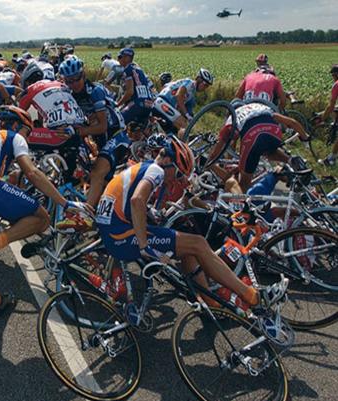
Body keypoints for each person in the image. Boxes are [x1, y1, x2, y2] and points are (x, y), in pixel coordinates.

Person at [95, 136, 288, 332]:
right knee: (198, 243)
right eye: (179, 174)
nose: (177, 180)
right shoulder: (156, 171)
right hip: (121, 235)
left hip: (113, 231)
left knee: (188, 248)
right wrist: (145, 246)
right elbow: (137, 200)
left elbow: (131, 202)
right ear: (168, 163)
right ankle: (252, 297)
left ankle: (210, 302)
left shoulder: (144, 167)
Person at [0, 106, 92, 317]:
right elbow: (32, 173)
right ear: (17, 125)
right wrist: (64, 203)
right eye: (28, 132)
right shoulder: (14, 136)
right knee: (41, 218)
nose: (28, 138)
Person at [213, 102, 309, 191]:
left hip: (252, 136)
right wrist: (305, 139)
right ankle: (291, 160)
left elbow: (219, 150)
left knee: (243, 184)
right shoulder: (259, 107)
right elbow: (292, 122)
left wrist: (209, 163)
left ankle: (242, 207)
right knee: (269, 151)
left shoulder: (233, 119)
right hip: (274, 131)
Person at [18, 61, 86, 178]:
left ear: (27, 82)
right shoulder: (59, 84)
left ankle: (35, 175)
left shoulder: (30, 89)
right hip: (78, 131)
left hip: (59, 135)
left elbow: (18, 114)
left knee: (17, 136)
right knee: (67, 175)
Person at [58, 56, 125, 150]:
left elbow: (102, 127)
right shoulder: (70, 93)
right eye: (69, 81)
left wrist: (77, 131)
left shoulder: (95, 91)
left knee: (99, 163)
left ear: (83, 76)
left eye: (77, 78)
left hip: (114, 130)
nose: (74, 84)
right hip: (98, 130)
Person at [152, 68, 214, 135]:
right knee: (183, 126)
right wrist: (186, 114)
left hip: (164, 105)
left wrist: (189, 116)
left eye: (207, 86)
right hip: (164, 103)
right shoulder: (189, 83)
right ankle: (186, 144)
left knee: (173, 133)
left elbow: (166, 86)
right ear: (199, 79)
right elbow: (179, 96)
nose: (205, 87)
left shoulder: (192, 93)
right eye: (205, 84)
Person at [115, 47, 155, 128]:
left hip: (136, 104)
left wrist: (117, 104)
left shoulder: (127, 70)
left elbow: (130, 92)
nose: (118, 60)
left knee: (117, 122)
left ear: (127, 58)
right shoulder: (139, 69)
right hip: (149, 104)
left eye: (119, 57)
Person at [320, 64, 338, 166]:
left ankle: (331, 159)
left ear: (335, 75)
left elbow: (331, 105)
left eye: (333, 76)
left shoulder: (336, 85)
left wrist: (323, 117)